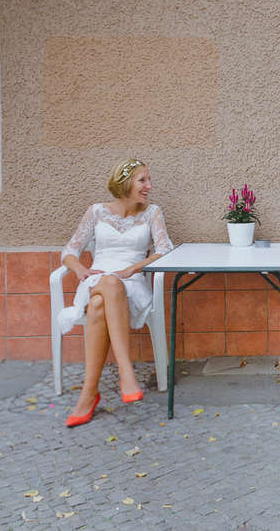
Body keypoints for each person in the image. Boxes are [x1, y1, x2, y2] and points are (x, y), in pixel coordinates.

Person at [59, 159, 173, 427]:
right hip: (95, 279)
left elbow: (164, 250)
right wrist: (80, 270)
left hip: (131, 283)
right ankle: (126, 372)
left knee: (99, 304)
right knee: (108, 283)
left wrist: (133, 268)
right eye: (142, 180)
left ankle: (88, 394)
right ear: (125, 183)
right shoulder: (96, 211)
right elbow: (69, 252)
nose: (149, 186)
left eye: (149, 180)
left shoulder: (152, 212)